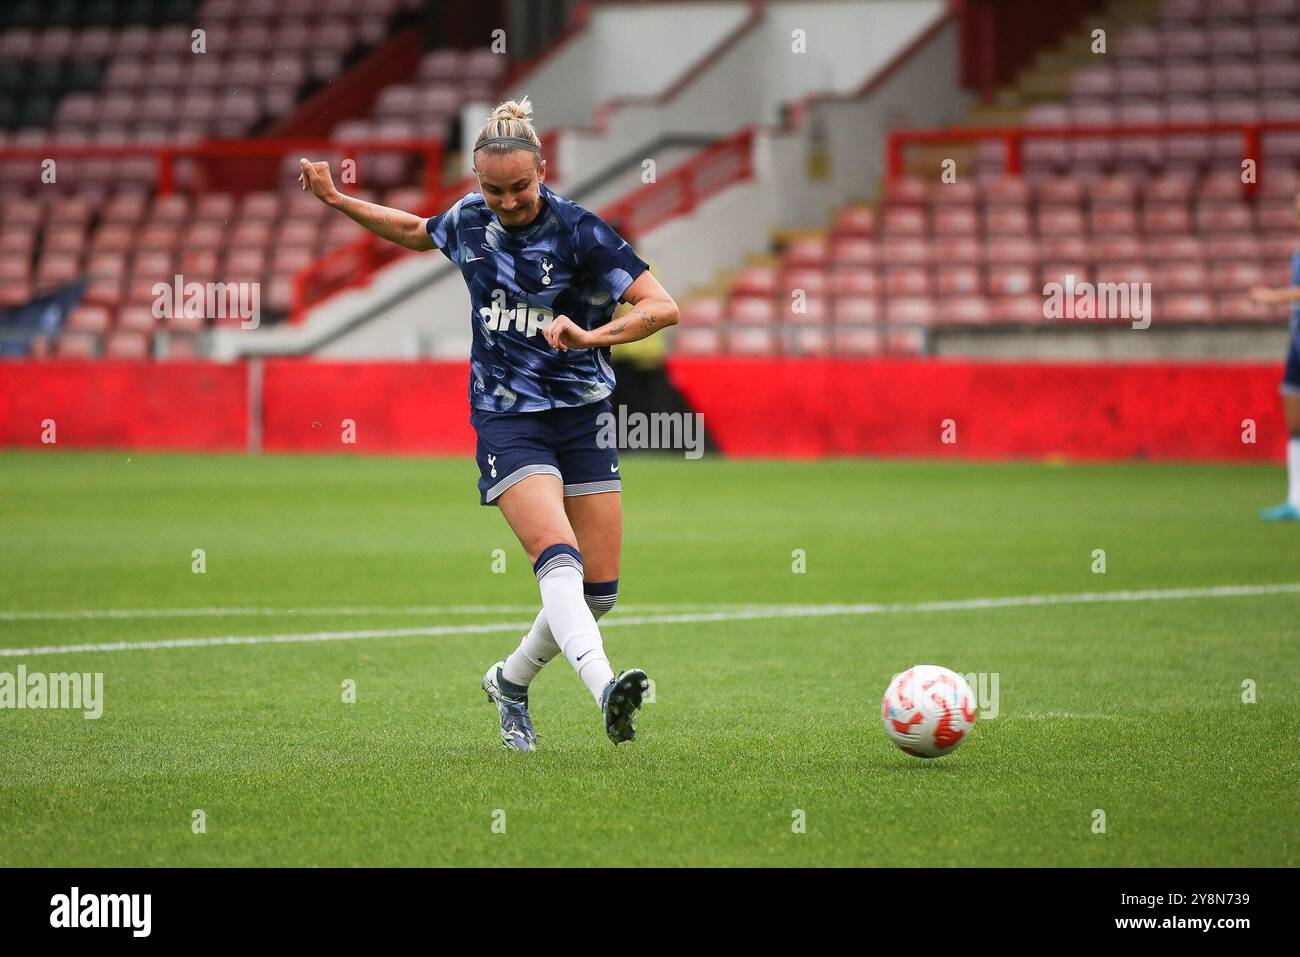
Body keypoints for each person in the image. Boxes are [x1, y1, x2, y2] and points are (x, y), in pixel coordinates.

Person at [298, 96, 680, 748]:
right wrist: (339, 202)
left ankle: (509, 680)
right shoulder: (469, 219)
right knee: (556, 559)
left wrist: (589, 335)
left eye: (519, 188)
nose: (505, 202)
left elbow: (661, 307)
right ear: (476, 182)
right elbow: (416, 231)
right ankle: (608, 688)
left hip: (583, 415)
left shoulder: (582, 231)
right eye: (491, 189)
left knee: (598, 593)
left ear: (543, 171)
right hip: (508, 417)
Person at [1251, 190, 1300, 521]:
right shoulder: (1297, 252)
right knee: (1295, 424)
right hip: (1297, 345)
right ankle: (1295, 500)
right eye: (1296, 204)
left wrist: (1272, 297)